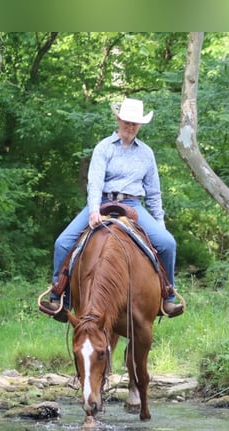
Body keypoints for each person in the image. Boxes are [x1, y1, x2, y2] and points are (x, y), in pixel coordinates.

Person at [40, 97, 184, 322]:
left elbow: (154, 193)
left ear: (140, 125)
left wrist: (159, 223)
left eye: (135, 123)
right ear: (118, 119)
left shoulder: (147, 154)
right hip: (103, 201)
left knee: (167, 243)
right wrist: (94, 210)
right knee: (63, 242)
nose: (130, 126)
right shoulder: (104, 147)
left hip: (133, 204)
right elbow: (95, 181)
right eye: (126, 121)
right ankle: (60, 296)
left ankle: (167, 295)